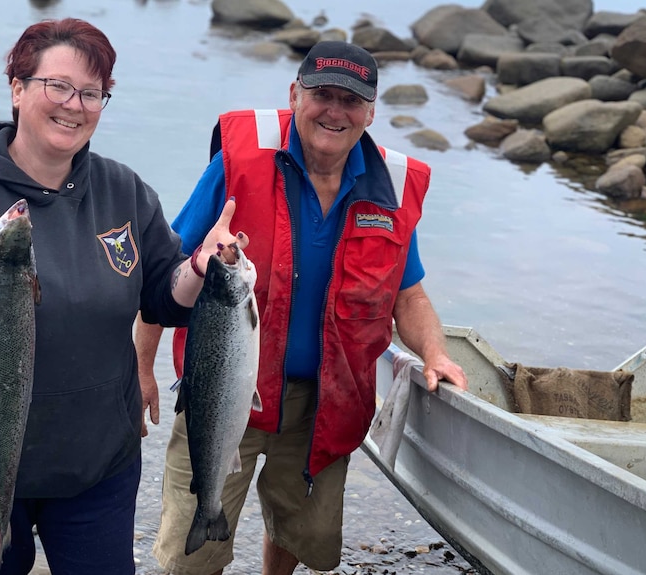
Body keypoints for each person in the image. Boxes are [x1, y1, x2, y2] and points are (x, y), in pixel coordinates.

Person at [0, 18, 244, 575]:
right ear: (18, 88)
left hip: (96, 463)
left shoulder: (120, 189)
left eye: (92, 92)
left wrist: (199, 267)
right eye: (58, 86)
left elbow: (162, 297)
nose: (74, 105)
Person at [134, 40, 469, 575]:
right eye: (322, 95)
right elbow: (165, 273)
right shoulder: (239, 161)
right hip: (222, 388)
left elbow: (410, 293)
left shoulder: (392, 186)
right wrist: (142, 368)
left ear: (371, 111)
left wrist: (434, 354)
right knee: (190, 550)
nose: (335, 111)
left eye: (351, 100)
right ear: (295, 94)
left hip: (326, 401)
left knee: (296, 529)